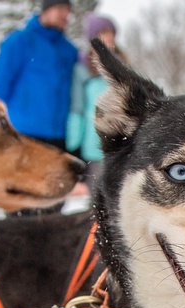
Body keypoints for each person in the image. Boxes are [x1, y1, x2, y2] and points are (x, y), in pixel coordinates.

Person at [0, 0, 78, 150]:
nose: (65, 15)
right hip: (23, 133)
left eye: (68, 10)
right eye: (60, 9)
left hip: (59, 135)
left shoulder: (69, 50)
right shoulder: (18, 42)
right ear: (46, 9)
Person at [68, 13, 120, 195]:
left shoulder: (123, 65)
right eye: (103, 32)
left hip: (121, 143)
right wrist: (72, 143)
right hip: (94, 144)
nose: (109, 37)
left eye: (111, 32)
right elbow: (78, 106)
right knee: (97, 199)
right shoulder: (83, 69)